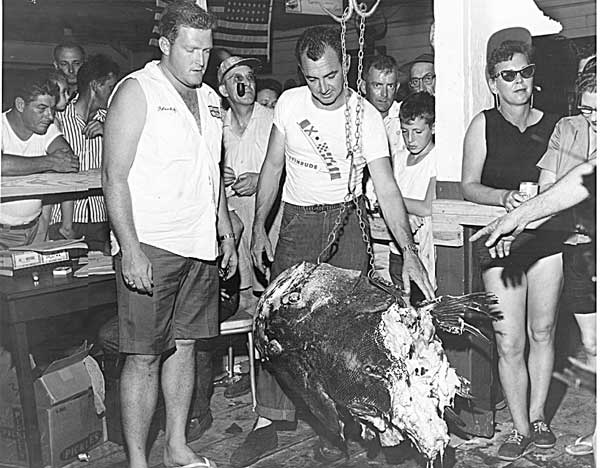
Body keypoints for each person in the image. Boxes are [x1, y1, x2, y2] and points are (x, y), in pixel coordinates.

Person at [230, 25, 434, 468]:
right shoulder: (289, 104)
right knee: (278, 325)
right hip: (298, 219)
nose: (323, 87)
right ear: (301, 73)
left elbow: (387, 187)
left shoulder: (367, 117)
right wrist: (259, 226)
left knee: (345, 334)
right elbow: (272, 166)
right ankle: (267, 421)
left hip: (347, 221)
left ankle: (337, 425)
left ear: (345, 66)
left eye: (331, 75)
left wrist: (410, 252)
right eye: (312, 78)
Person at [102, 2, 237, 468]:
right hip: (151, 245)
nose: (200, 59)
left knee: (186, 346)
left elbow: (212, 172)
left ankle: (176, 447)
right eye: (190, 49)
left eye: (207, 50)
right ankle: (138, 461)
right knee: (143, 356)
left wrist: (224, 230)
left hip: (199, 244)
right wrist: (130, 249)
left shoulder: (212, 99)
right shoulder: (136, 91)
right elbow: (113, 177)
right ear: (165, 44)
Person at [461, 27, 564, 461]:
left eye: (525, 72)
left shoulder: (556, 124)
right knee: (509, 341)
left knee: (543, 332)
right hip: (502, 243)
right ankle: (519, 428)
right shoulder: (483, 124)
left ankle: (538, 419)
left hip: (545, 241)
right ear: (492, 82)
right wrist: (503, 198)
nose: (518, 81)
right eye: (508, 75)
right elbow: (469, 185)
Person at [537, 61, 596, 457]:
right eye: (587, 109)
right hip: (579, 249)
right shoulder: (567, 129)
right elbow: (547, 189)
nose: (593, 119)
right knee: (592, 344)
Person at [218, 55, 280, 398]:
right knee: (242, 297)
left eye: (250, 77)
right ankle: (248, 367)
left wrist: (261, 179)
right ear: (224, 90)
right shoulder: (218, 125)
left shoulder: (272, 119)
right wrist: (219, 173)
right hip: (232, 218)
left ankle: (271, 374)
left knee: (270, 294)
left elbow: (288, 165)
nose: (245, 84)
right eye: (236, 79)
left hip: (268, 214)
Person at [49, 54, 120, 253]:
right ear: (96, 85)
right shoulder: (58, 118)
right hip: (64, 221)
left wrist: (109, 132)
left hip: (102, 218)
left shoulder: (114, 121)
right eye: (111, 87)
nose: (115, 94)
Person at [1, 75, 79, 248]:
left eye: (52, 109)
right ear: (20, 105)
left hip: (35, 228)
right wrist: (49, 162)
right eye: (41, 108)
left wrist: (20, 167)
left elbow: (68, 160)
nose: (49, 116)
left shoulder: (46, 129)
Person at [389, 92, 437, 291]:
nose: (410, 139)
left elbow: (426, 207)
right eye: (405, 131)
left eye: (417, 132)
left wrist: (392, 201)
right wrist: (405, 213)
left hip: (423, 253)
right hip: (397, 249)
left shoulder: (437, 158)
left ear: (433, 127)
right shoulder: (398, 158)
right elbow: (377, 200)